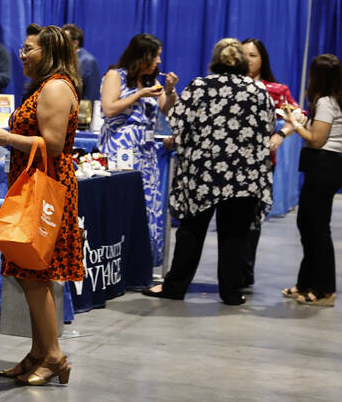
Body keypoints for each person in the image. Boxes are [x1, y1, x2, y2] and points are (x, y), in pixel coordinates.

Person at [0, 24, 84, 386]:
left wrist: (6, 137)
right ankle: (39, 352)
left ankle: (54, 355)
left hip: (47, 193)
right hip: (33, 189)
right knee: (28, 275)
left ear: (49, 52)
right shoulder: (44, 87)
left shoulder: (55, 88)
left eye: (28, 50)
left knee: (36, 276)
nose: (22, 56)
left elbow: (53, 145)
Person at [143, 39, 273, 306]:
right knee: (235, 235)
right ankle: (231, 292)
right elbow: (267, 128)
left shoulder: (201, 86)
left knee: (191, 231)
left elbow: (176, 120)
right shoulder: (259, 91)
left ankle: (176, 286)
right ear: (243, 62)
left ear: (215, 59)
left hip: (202, 174)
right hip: (243, 176)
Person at [98, 33, 178, 266]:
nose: (159, 62)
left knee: (146, 206)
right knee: (120, 204)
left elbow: (166, 109)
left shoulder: (152, 81)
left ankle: (140, 263)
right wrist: (140, 94)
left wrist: (170, 91)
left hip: (146, 152)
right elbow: (109, 109)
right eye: (156, 56)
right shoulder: (116, 75)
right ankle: (115, 261)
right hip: (119, 148)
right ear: (142, 56)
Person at [281, 54, 342, 307]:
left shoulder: (327, 102)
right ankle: (306, 282)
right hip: (323, 167)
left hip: (325, 166)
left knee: (316, 228)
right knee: (307, 225)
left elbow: (316, 140)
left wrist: (294, 123)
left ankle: (325, 289)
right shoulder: (329, 101)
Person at [241, 37, 300, 287]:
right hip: (226, 165)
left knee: (252, 220)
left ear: (262, 59)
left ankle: (244, 272)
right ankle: (230, 271)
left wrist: (280, 134)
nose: (248, 59)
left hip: (262, 164)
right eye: (243, 55)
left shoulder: (275, 90)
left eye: (253, 55)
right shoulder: (229, 86)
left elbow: (299, 115)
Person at [63, 22, 101, 103]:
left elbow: (91, 96)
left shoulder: (88, 61)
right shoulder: (61, 59)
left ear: (75, 43)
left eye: (64, 40)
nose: (60, 43)